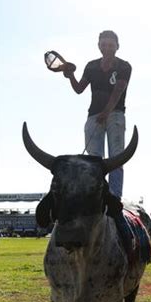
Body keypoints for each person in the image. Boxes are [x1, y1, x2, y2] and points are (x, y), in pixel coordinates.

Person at [63, 30, 131, 199]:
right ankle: (95, 194)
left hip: (114, 114)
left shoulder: (124, 66)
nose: (107, 48)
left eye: (110, 45)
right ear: (99, 46)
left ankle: (115, 196)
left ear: (117, 46)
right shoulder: (91, 66)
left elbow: (118, 90)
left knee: (116, 157)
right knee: (93, 160)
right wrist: (70, 75)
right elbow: (79, 89)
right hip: (94, 116)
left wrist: (106, 111)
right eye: (104, 44)